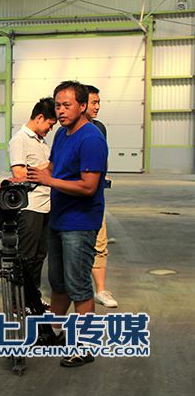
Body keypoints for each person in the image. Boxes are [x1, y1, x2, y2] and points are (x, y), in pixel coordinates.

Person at [27, 80, 108, 368]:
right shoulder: (62, 134)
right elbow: (52, 166)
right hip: (59, 218)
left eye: (67, 105)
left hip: (80, 223)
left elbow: (88, 186)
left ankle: (85, 346)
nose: (60, 111)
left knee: (79, 286)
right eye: (58, 105)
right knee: (58, 283)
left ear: (83, 106)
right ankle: (54, 333)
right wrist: (29, 175)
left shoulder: (91, 139)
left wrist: (49, 181)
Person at [8, 97, 57, 306]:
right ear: (39, 117)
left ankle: (32, 297)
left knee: (39, 255)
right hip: (30, 207)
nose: (50, 129)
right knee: (26, 256)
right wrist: (48, 167)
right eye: (49, 124)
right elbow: (19, 174)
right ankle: (19, 302)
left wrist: (45, 169)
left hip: (46, 205)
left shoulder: (41, 141)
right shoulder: (20, 139)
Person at [84, 85, 118, 308]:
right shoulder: (66, 131)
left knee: (100, 242)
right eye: (93, 102)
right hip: (74, 197)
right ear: (82, 104)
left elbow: (102, 159)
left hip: (95, 198)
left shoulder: (99, 128)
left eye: (99, 102)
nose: (97, 107)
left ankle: (101, 290)